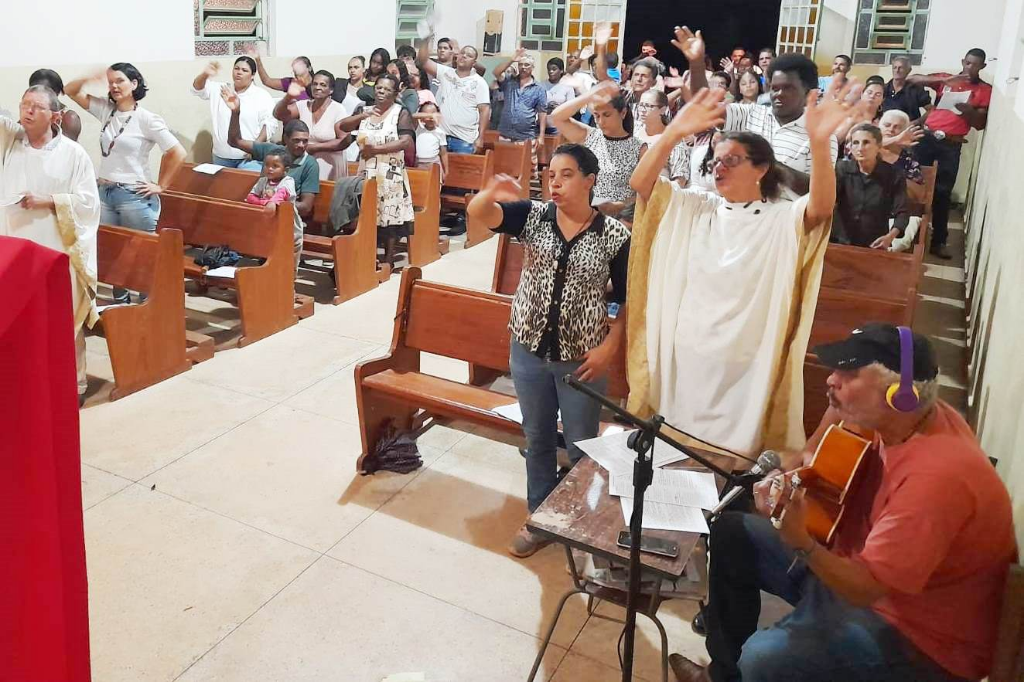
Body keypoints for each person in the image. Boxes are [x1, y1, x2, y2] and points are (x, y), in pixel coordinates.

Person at [668, 324, 1016, 682]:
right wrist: (799, 469)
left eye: (849, 374)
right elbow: (828, 442)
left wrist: (801, 542)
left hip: (919, 638)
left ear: (900, 395)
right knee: (733, 533)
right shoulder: (907, 417)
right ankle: (721, 676)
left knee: (763, 659)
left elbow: (865, 588)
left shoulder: (937, 479)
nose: (831, 380)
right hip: (864, 577)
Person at [627, 81, 868, 456]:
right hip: (688, 352)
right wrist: (673, 133)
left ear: (762, 169)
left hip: (742, 361)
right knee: (673, 450)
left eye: (731, 160)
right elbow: (641, 183)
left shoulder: (779, 218)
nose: (718, 168)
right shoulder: (699, 206)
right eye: (715, 161)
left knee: (728, 459)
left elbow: (820, 208)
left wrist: (820, 144)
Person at [466, 144, 632, 557]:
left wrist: (609, 347)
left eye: (566, 175)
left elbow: (627, 299)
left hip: (581, 357)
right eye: (551, 175)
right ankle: (539, 517)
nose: (555, 183)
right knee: (538, 436)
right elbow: (481, 213)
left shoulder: (614, 235)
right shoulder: (535, 216)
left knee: (581, 445)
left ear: (590, 180)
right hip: (528, 348)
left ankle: (579, 516)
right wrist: (491, 192)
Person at [1, 86, 100, 406]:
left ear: (55, 116)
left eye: (36, 106)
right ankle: (26, 383)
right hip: (15, 249)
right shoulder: (10, 142)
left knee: (61, 320)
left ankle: (74, 386)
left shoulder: (73, 154)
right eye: (24, 104)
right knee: (20, 319)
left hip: (57, 251)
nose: (27, 111)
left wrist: (50, 200)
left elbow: (89, 204)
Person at [65, 63, 186, 303]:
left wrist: (161, 186)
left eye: (120, 81)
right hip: (105, 191)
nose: (114, 86)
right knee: (114, 251)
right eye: (110, 82)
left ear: (134, 83)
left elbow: (177, 152)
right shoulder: (106, 110)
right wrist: (90, 77)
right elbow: (70, 90)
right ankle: (121, 303)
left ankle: (149, 305)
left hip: (134, 195)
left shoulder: (147, 119)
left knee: (142, 252)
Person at [707, 49, 841, 197]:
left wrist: (769, 164)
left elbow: (819, 191)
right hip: (741, 205)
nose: (779, 94)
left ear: (808, 93)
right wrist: (696, 64)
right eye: (774, 88)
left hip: (788, 209)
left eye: (788, 88)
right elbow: (710, 111)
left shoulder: (823, 137)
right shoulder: (753, 113)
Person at [908, 48, 991, 259]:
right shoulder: (946, 78)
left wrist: (968, 111)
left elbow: (980, 124)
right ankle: (911, 235)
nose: (970, 68)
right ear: (963, 61)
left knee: (942, 193)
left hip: (951, 145)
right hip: (927, 139)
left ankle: (939, 241)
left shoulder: (984, 90)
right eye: (968, 63)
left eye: (976, 65)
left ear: (982, 66)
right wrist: (944, 81)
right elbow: (912, 79)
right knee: (915, 185)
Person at [224, 90, 320, 271]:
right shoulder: (273, 152)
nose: (301, 145)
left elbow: (306, 206)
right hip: (261, 214)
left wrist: (276, 205)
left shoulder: (310, 164)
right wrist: (235, 112)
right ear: (285, 139)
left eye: (305, 141)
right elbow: (234, 140)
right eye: (296, 141)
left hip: (286, 220)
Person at [340, 73, 416, 268]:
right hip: (366, 170)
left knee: (389, 216)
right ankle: (368, 254)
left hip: (389, 171)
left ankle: (389, 258)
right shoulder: (364, 109)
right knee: (367, 213)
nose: (381, 92)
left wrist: (376, 150)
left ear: (395, 93)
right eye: (379, 88)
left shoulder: (400, 112)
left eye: (387, 89)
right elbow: (343, 126)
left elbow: (406, 142)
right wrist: (362, 116)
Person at [549, 81, 646, 222]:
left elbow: (645, 190)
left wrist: (620, 205)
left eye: (606, 115)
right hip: (586, 212)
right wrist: (588, 96)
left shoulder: (639, 148)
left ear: (623, 113)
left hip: (622, 218)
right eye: (596, 116)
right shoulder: (590, 136)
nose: (600, 121)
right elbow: (557, 117)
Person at [833, 123, 910, 250]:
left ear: (878, 146)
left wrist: (890, 237)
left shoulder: (894, 175)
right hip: (838, 240)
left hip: (874, 243)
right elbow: (828, 201)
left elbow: (902, 212)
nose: (860, 148)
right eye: (855, 143)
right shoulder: (841, 169)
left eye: (866, 142)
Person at [191, 58, 275, 170]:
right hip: (221, 156)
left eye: (244, 70)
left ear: (253, 75)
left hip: (249, 159)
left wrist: (255, 148)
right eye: (236, 68)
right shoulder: (222, 89)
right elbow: (197, 88)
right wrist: (205, 74)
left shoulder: (261, 95)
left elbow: (269, 124)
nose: (239, 72)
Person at [273, 71, 353, 180]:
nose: (317, 87)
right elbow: (278, 114)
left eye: (323, 85)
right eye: (315, 84)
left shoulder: (338, 109)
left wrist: (315, 148)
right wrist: (288, 96)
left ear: (331, 90)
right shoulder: (303, 105)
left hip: (330, 167)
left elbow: (343, 141)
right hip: (307, 166)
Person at [419, 35, 491, 154]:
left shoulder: (479, 82)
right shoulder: (445, 72)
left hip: (464, 139)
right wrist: (426, 39)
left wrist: (481, 137)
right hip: (441, 135)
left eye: (469, 55)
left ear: (474, 63)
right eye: (462, 53)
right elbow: (423, 61)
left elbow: (484, 111)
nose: (464, 56)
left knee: (461, 166)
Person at [493, 48, 547, 171]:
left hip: (526, 136)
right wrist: (512, 59)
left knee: (527, 170)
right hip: (505, 134)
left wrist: (541, 136)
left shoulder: (539, 88)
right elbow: (496, 72)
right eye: (520, 64)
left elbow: (542, 112)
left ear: (532, 67)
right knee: (503, 169)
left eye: (526, 65)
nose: (523, 67)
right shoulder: (509, 82)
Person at [244, 150, 302, 244]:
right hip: (267, 223)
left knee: (289, 246)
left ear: (286, 170)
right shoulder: (263, 181)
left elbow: (282, 193)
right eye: (267, 165)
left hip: (287, 224)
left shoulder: (288, 181)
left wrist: (273, 202)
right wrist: (265, 202)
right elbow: (250, 197)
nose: (270, 169)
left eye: (275, 166)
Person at [635, 89, 690, 186]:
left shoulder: (673, 139)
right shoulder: (634, 130)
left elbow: (680, 178)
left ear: (663, 110)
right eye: (641, 105)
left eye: (648, 106)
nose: (643, 110)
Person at [28, 70, 82, 142]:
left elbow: (65, 146)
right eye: (33, 90)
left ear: (56, 92)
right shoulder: (30, 114)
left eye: (43, 92)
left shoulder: (68, 118)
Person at [879, 109, 926, 187]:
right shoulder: (867, 149)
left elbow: (919, 191)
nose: (891, 129)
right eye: (887, 125)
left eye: (897, 127)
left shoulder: (907, 158)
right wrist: (896, 139)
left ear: (904, 132)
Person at [882, 56, 932, 124]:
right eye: (894, 67)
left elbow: (931, 110)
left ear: (908, 70)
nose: (897, 70)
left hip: (910, 127)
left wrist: (917, 122)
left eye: (901, 68)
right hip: (887, 127)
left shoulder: (916, 89)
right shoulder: (884, 89)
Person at [247, 49, 313, 101]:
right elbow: (267, 81)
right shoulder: (290, 83)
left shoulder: (317, 83)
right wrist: (258, 59)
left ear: (309, 68)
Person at [541, 58, 576, 135]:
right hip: (542, 126)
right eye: (549, 69)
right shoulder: (541, 85)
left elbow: (572, 108)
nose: (551, 71)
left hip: (559, 127)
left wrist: (559, 108)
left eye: (554, 69)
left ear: (561, 71)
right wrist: (546, 107)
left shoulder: (567, 86)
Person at [415, 102, 448, 179]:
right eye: (427, 114)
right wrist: (430, 115)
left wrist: (446, 170)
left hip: (434, 163)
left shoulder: (440, 132)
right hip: (419, 163)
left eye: (433, 113)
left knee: (434, 184)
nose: (431, 118)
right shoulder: (418, 128)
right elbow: (413, 116)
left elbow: (443, 153)